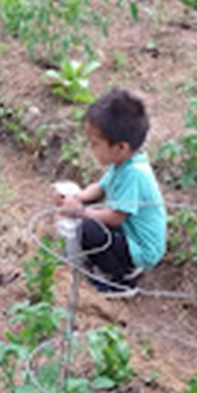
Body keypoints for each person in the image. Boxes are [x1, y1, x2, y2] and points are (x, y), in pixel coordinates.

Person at [54, 88, 168, 299]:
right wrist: (76, 198)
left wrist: (80, 213)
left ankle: (123, 281)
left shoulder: (135, 173)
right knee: (88, 218)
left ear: (120, 147)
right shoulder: (123, 163)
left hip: (142, 249)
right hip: (130, 235)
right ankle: (105, 262)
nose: (91, 148)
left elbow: (116, 217)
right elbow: (99, 188)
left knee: (88, 228)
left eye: (95, 144)